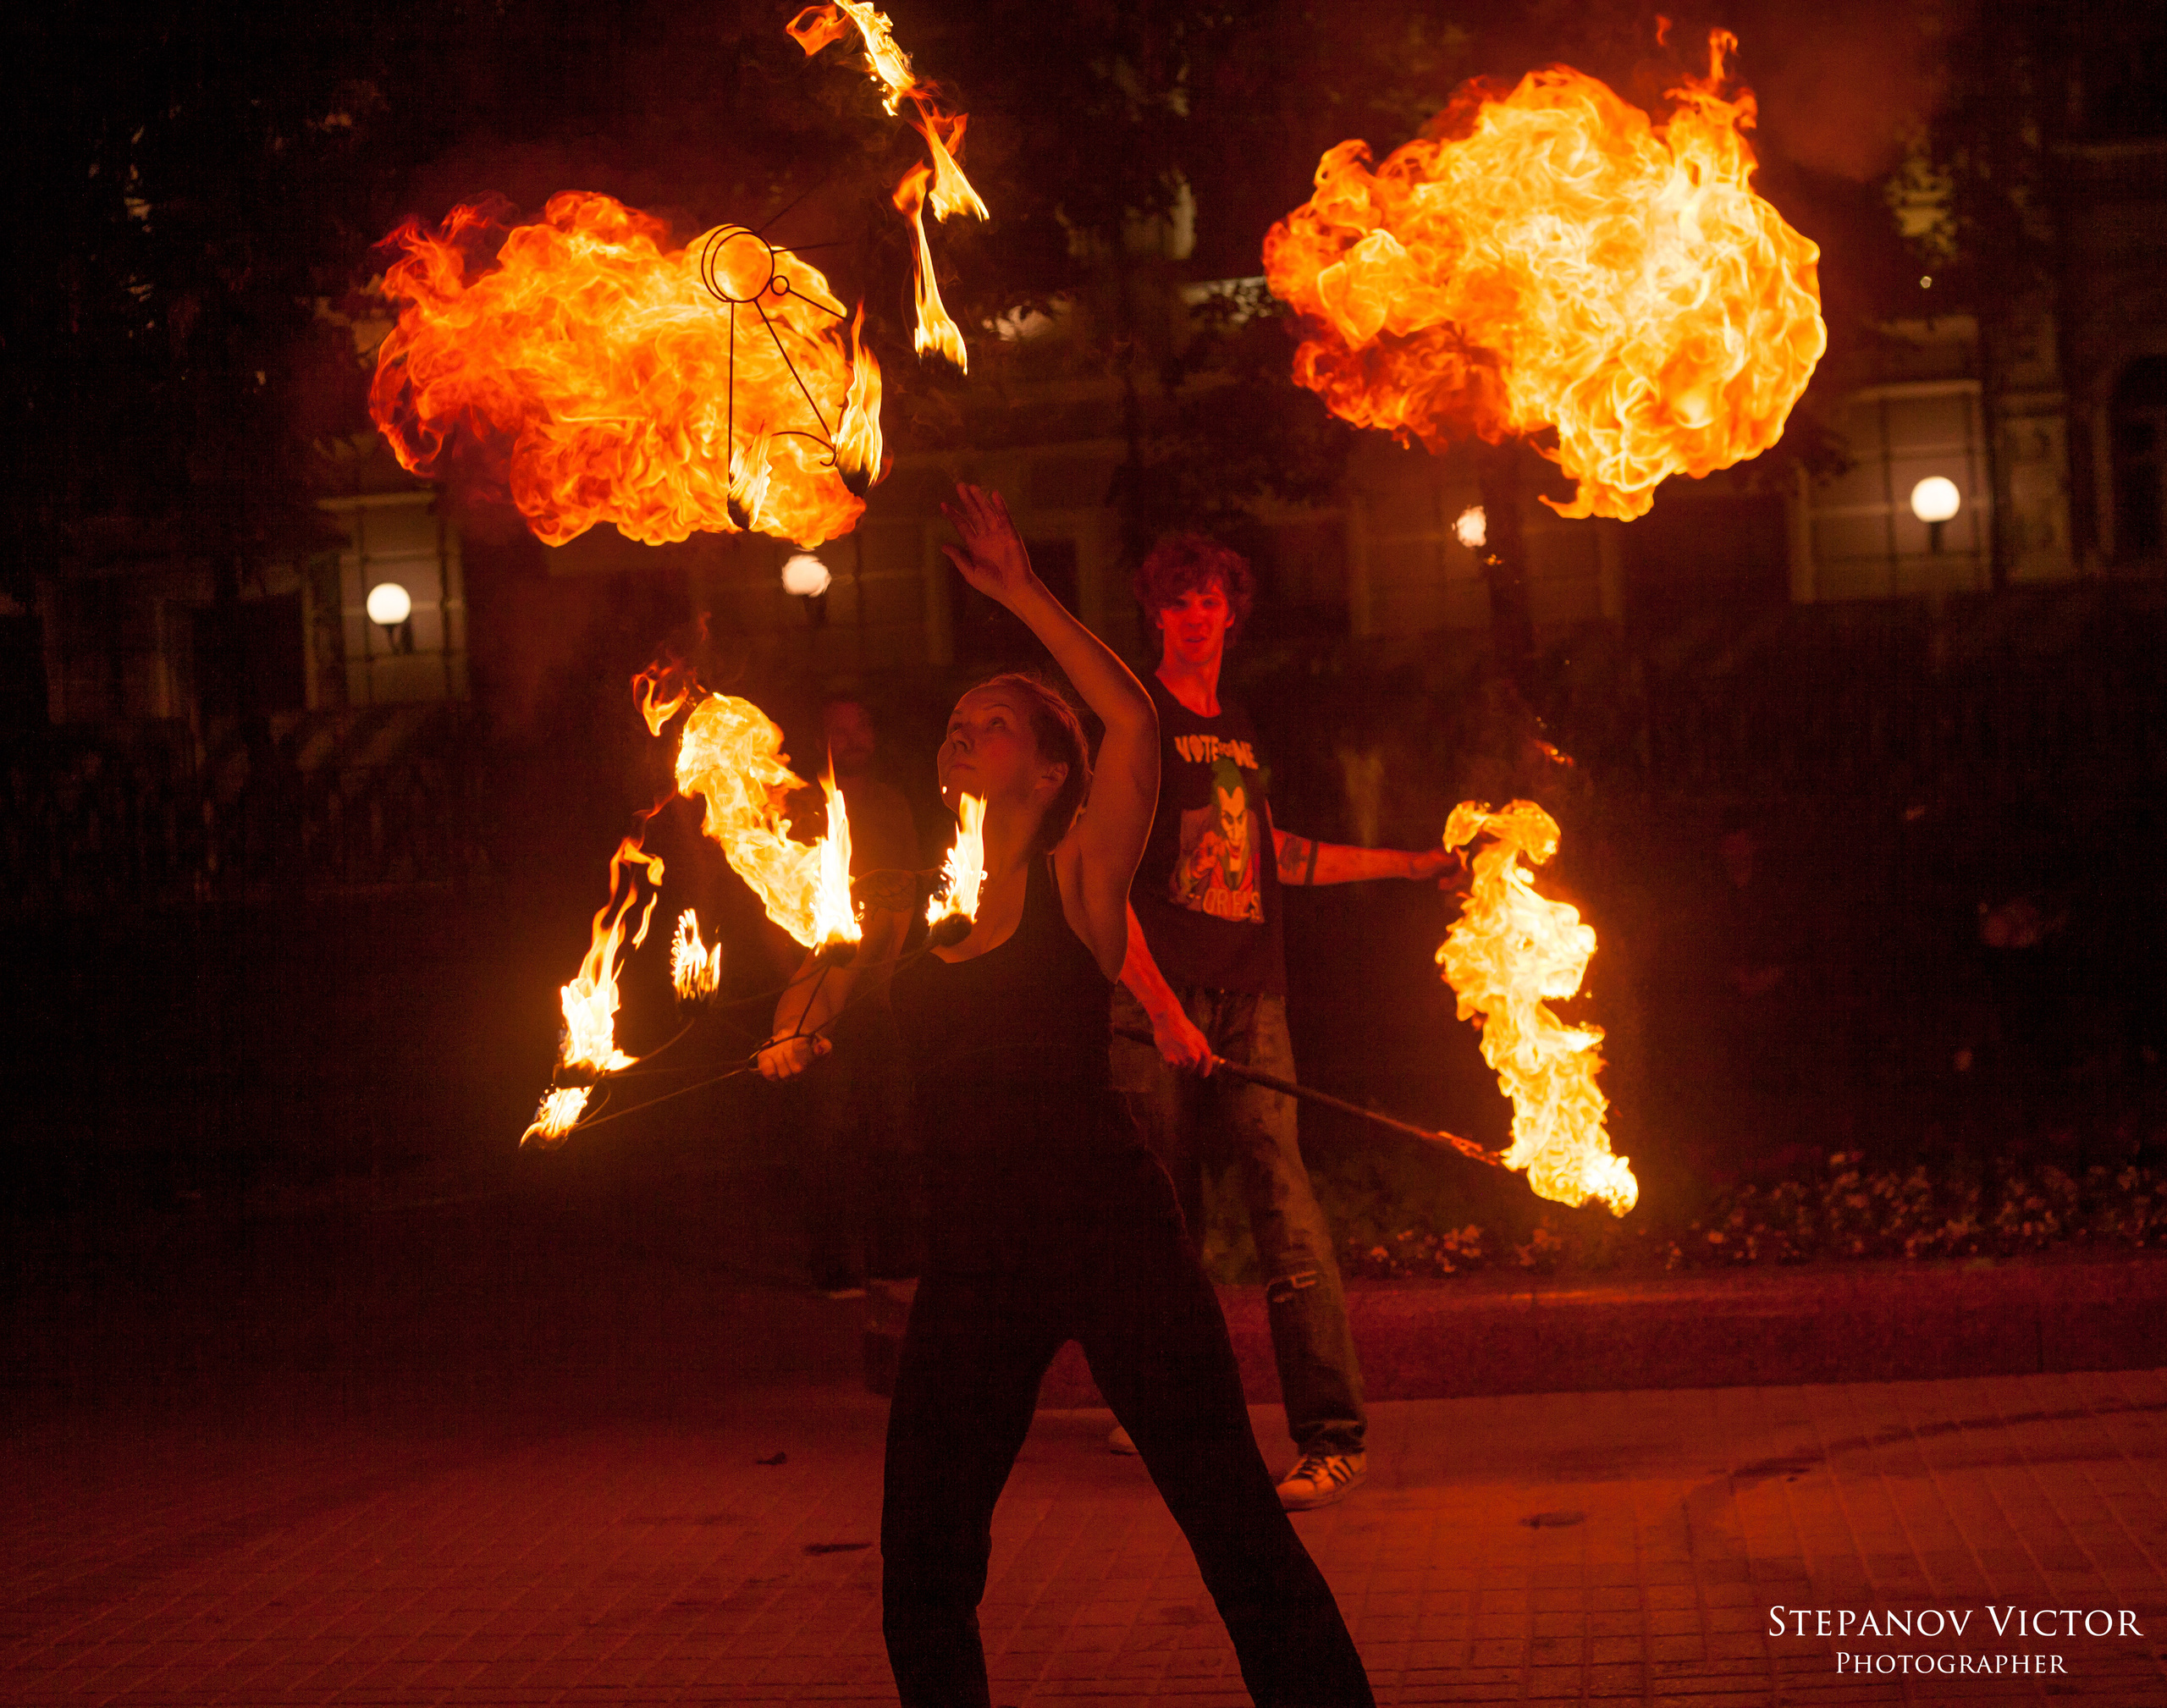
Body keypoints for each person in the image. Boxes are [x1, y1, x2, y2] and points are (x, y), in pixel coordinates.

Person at [758, 485, 1375, 1708]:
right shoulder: (916, 921)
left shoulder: (1077, 881)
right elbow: (819, 988)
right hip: (977, 1260)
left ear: (1050, 773)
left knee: (1231, 1523)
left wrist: (1020, 592)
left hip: (1107, 1233)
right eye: (954, 720)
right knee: (924, 1559)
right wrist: (797, 1032)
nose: (958, 731)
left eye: (989, 723)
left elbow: (1135, 719)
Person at [1111, 532, 1463, 1510]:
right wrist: (1163, 1011)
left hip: (1251, 1000)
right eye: (1177, 598)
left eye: (1209, 597)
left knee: (1286, 1213)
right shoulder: (1133, 722)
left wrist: (1408, 864)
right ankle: (1162, 1412)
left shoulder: (1240, 726)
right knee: (1161, 1229)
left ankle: (1331, 1437)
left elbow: (1274, 857)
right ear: (1155, 613)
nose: (1195, 612)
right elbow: (1099, 892)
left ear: (1233, 611)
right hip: (1156, 1006)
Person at [791, 697, 923, 1297]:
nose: (852, 739)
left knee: (894, 1129)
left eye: (860, 725)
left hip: (881, 994)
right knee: (828, 1130)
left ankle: (898, 1259)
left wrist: (891, 978)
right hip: (817, 992)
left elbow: (907, 891)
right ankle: (838, 1266)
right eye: (836, 730)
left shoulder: (892, 805)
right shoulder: (795, 809)